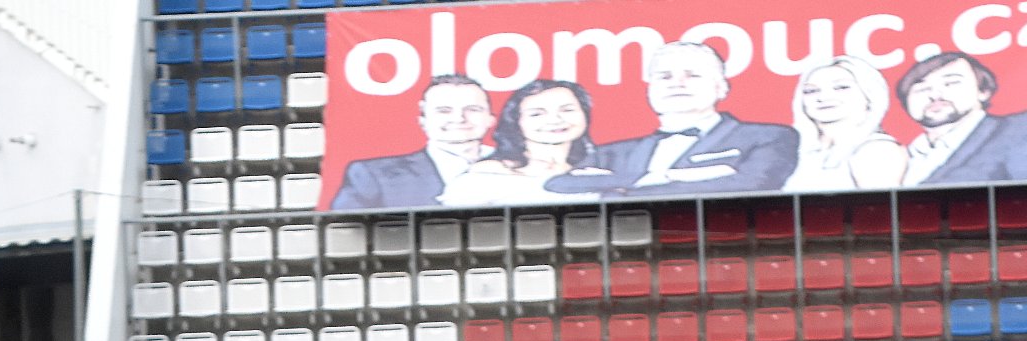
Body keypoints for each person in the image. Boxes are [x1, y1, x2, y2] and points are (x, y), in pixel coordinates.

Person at [545, 42, 797, 196]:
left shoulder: (768, 136)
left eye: (692, 75)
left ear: (722, 88)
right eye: (664, 76)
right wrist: (660, 177)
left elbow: (754, 183)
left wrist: (618, 188)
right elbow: (559, 184)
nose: (677, 84)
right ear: (649, 89)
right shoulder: (613, 152)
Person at [897, 51, 1027, 185]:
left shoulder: (1022, 128)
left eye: (951, 83)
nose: (935, 95)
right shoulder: (899, 156)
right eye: (922, 89)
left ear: (983, 91)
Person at [331, 75, 494, 210]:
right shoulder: (373, 174)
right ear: (423, 120)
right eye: (444, 111)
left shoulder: (509, 167)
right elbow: (346, 226)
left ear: (490, 118)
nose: (459, 119)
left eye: (472, 109)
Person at [441, 80, 598, 207]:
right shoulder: (484, 177)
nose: (555, 120)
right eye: (536, 114)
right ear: (516, 121)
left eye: (567, 110)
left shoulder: (595, 173)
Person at [784, 57, 907, 192]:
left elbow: (880, 204)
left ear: (870, 95)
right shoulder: (800, 151)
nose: (823, 97)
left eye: (841, 87)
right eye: (811, 91)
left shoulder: (878, 149)